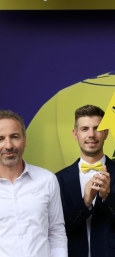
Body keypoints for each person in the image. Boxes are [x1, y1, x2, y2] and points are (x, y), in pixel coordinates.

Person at [55, 105, 115, 257]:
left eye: (97, 128)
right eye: (84, 129)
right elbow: (57, 230)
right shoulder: (58, 179)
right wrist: (86, 202)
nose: (91, 134)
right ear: (75, 134)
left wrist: (108, 197)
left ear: (106, 133)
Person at [0, 110, 68, 257]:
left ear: (25, 140)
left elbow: (56, 232)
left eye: (15, 137)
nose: (8, 145)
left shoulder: (47, 180)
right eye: (0, 138)